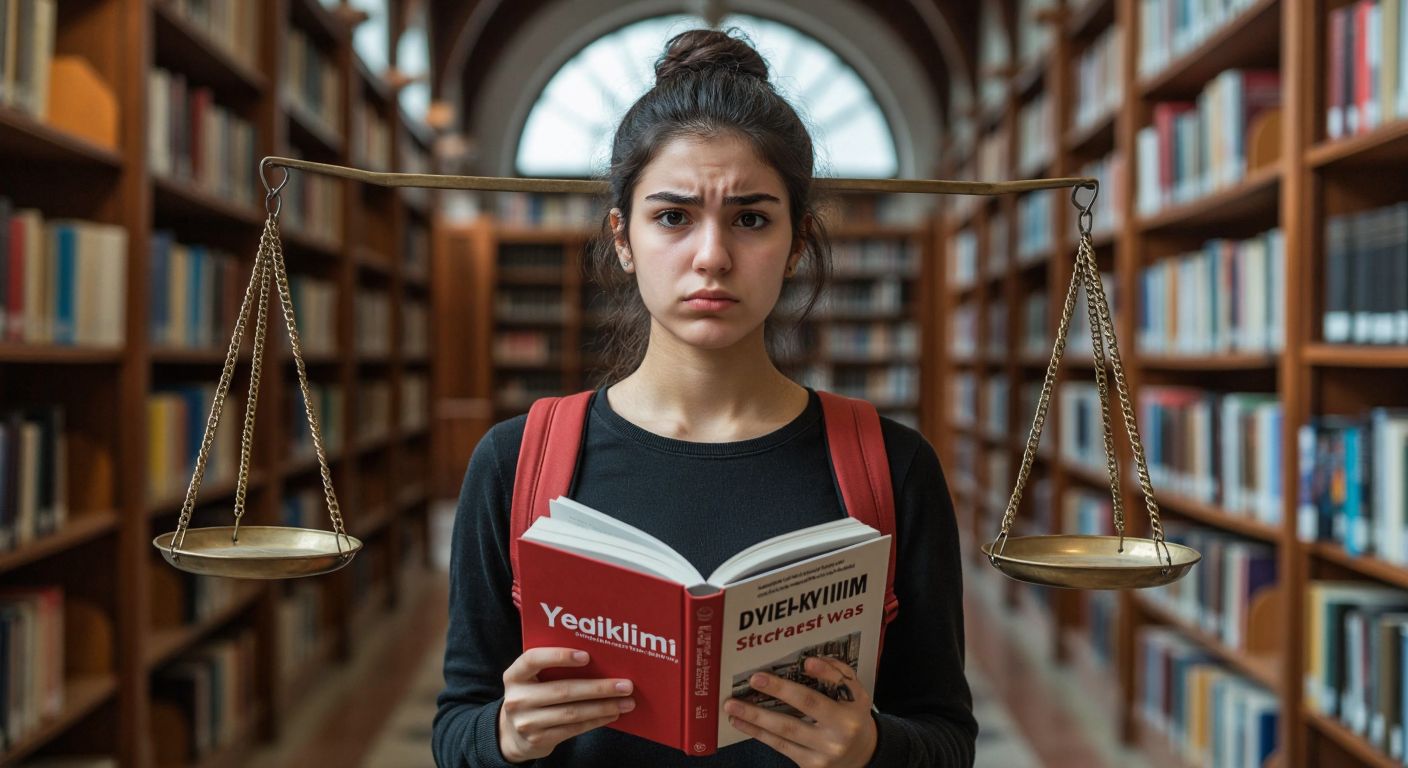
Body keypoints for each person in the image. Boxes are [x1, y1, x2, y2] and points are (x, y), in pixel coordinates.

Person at [433, 27, 977, 767]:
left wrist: (874, 749)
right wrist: (504, 734)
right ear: (622, 238)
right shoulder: (515, 463)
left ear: (794, 244)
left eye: (751, 218)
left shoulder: (894, 466)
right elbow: (455, 730)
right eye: (673, 216)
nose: (713, 256)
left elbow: (946, 738)